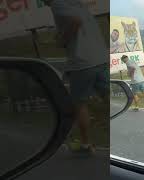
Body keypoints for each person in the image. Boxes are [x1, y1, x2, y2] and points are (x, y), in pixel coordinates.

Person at [42, 0, 108, 154]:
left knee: (79, 104)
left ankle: (86, 144)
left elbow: (75, 21)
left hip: (82, 62)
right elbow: (81, 21)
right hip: (101, 58)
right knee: (109, 98)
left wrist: (62, 40)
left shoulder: (57, 4)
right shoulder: (75, 2)